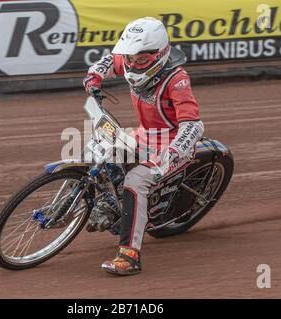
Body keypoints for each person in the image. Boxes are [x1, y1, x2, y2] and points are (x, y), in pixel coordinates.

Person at [83, 17, 204, 275]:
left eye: (141, 61)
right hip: (144, 134)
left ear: (159, 55)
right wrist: (93, 76)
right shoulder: (131, 60)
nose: (133, 64)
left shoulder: (177, 79)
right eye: (130, 59)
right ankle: (106, 204)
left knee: (135, 181)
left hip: (173, 145)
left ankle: (130, 255)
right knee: (99, 150)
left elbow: (193, 124)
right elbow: (109, 61)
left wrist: (174, 152)